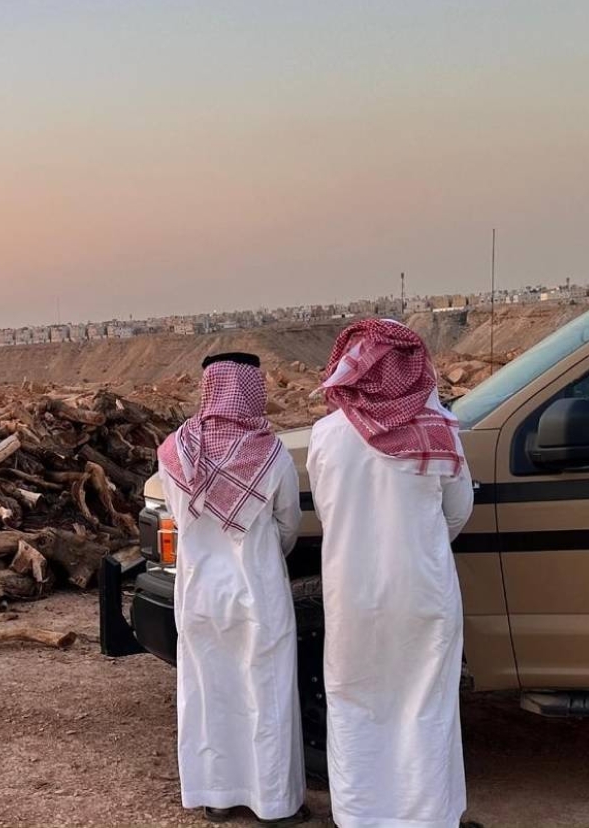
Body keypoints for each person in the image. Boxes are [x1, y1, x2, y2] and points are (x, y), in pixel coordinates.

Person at [306, 320, 475, 828]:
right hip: (423, 591)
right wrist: (418, 545)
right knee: (426, 703)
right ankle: (427, 816)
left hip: (351, 594)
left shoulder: (325, 435)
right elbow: (457, 512)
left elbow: (328, 511)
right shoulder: (440, 430)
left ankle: (361, 815)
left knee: (355, 699)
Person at [157, 352, 309, 825]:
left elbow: (178, 518)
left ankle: (216, 795)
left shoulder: (173, 453)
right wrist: (263, 553)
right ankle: (274, 804)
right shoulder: (272, 454)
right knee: (266, 693)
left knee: (209, 691)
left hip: (199, 593)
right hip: (258, 592)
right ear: (251, 389)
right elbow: (289, 525)